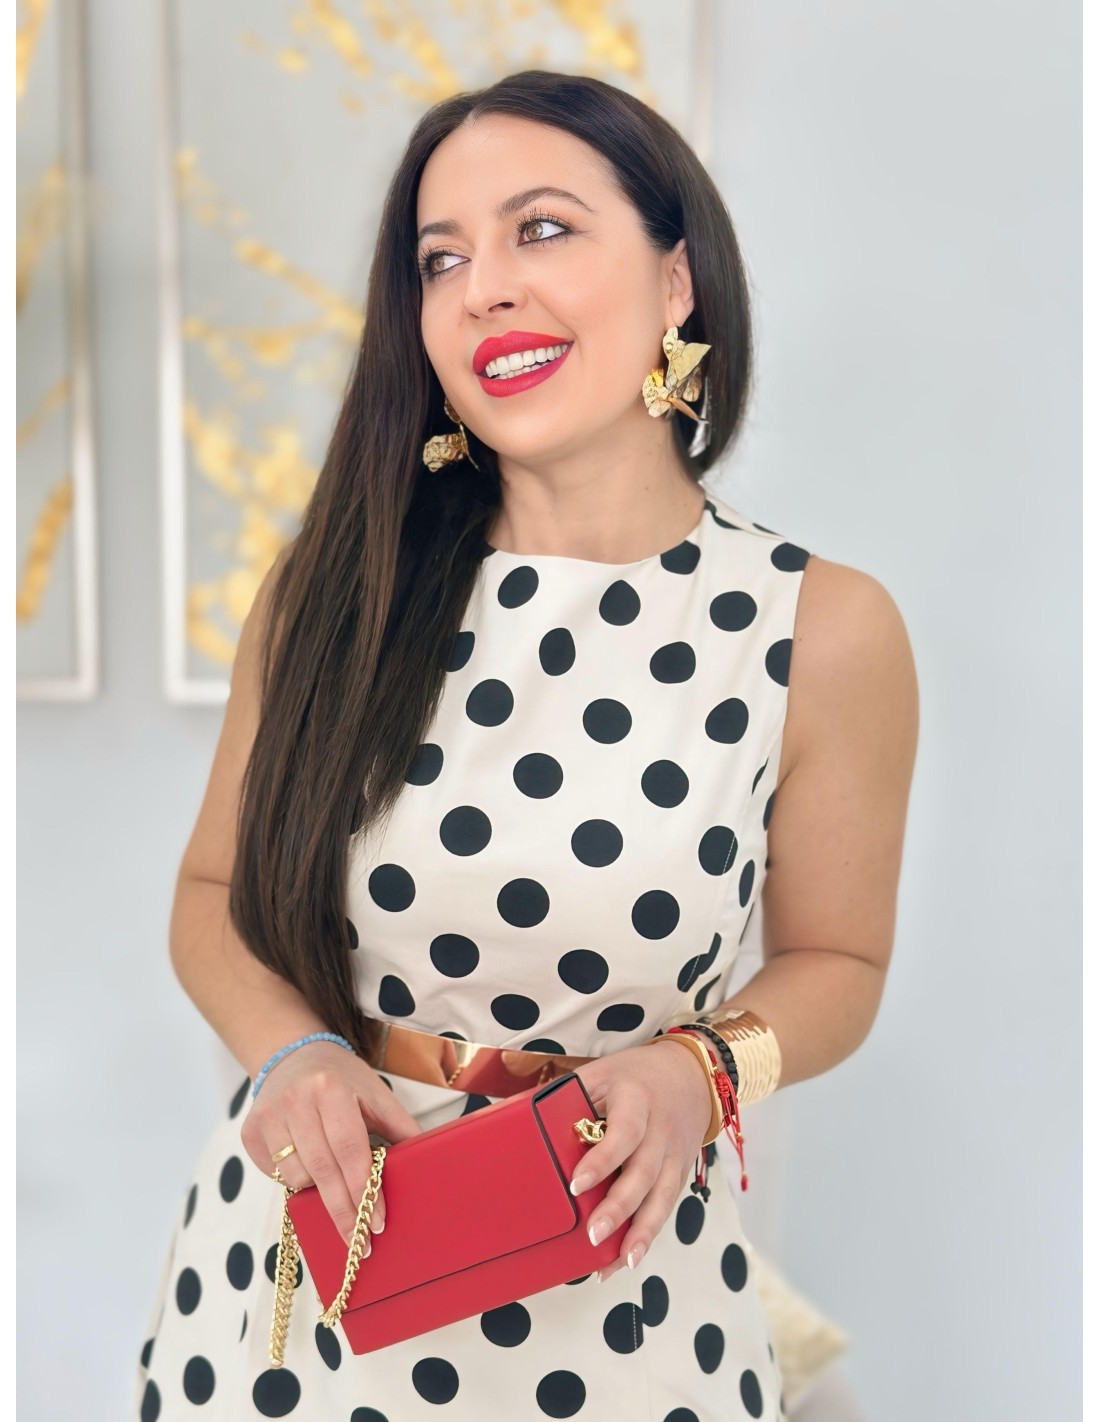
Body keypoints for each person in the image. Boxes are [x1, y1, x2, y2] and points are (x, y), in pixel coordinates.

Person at [134, 69, 918, 1422]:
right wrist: (290, 1055)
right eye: (442, 259)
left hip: (629, 1303)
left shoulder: (820, 629)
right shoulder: (331, 596)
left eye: (541, 229)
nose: (483, 288)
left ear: (677, 281)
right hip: (304, 1302)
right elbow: (210, 897)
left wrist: (701, 1067)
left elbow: (838, 963)